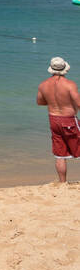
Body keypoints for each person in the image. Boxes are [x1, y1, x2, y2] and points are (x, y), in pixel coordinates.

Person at [36, 56, 80, 184]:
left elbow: (40, 102)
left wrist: (53, 102)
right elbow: (78, 103)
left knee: (60, 154)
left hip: (53, 119)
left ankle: (62, 183)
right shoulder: (70, 84)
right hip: (69, 120)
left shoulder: (43, 85)